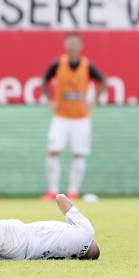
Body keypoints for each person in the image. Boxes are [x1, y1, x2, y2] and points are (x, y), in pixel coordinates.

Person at [40, 32, 106, 202]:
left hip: (81, 118)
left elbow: (102, 81)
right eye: (69, 43)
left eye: (76, 43)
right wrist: (50, 100)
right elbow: (44, 80)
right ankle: (52, 191)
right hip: (61, 117)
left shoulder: (87, 65)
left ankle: (73, 191)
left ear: (81, 45)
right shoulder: (57, 64)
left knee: (79, 154)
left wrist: (95, 100)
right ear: (65, 45)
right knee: (53, 151)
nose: (72, 46)